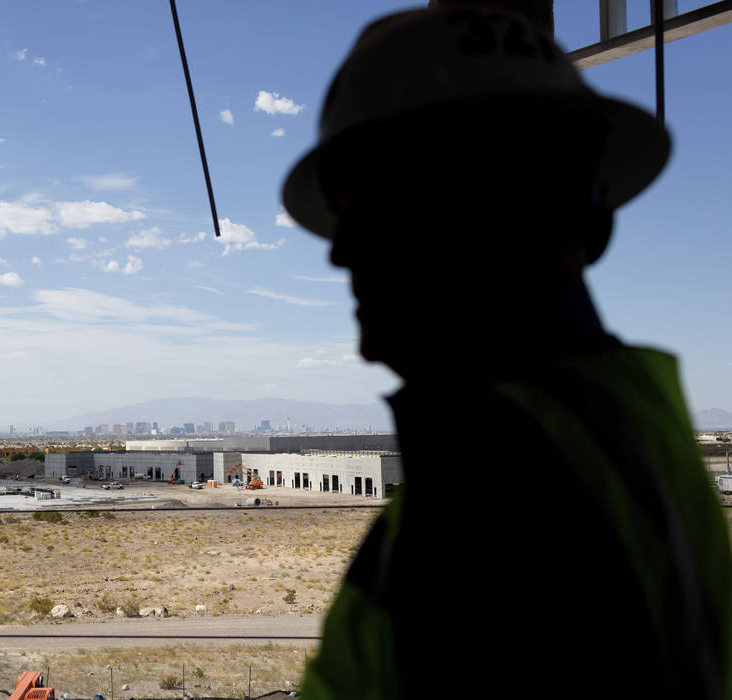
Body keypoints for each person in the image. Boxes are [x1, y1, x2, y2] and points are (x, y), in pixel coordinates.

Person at [281, 6, 732, 698]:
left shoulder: (503, 499)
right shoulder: (615, 436)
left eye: (365, 199)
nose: (338, 250)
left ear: (497, 199)